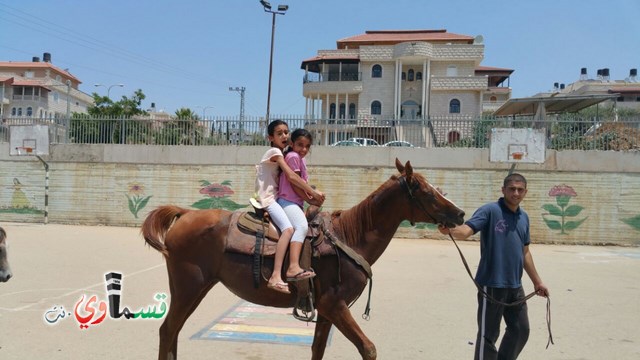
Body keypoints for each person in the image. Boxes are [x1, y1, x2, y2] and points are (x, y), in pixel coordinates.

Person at [438, 173, 549, 360]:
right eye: (512, 189)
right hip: (491, 284)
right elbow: (466, 231)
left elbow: (525, 253)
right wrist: (450, 230)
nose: (516, 193)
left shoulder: (524, 218)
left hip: (515, 285)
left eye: (520, 190)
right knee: (488, 336)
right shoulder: (490, 211)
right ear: (503, 189)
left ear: (525, 192)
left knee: (521, 329)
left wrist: (538, 282)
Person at [254, 120, 324, 294]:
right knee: (292, 228)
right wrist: (313, 196)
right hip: (269, 199)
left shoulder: (288, 155)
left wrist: (311, 196)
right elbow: (292, 178)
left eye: (286, 132)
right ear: (270, 137)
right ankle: (282, 272)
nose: (284, 136)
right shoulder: (276, 152)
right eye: (280, 133)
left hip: (277, 198)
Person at [277, 128, 322, 282]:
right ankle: (293, 267)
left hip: (295, 202)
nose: (304, 149)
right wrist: (311, 199)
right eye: (300, 144)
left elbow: (301, 185)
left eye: (307, 146)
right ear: (291, 143)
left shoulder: (300, 158)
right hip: (287, 201)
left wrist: (312, 195)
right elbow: (295, 184)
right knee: (302, 227)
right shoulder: (293, 156)